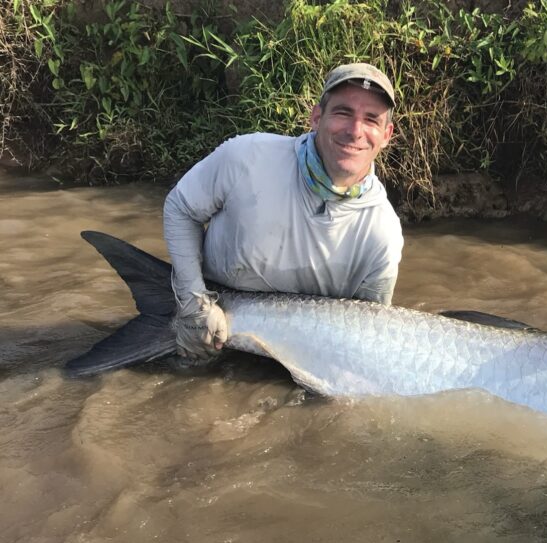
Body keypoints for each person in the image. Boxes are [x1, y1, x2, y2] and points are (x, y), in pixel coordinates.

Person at [163, 62, 403, 359]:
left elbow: (369, 339)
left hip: (297, 361)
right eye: (343, 112)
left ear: (386, 135)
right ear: (316, 117)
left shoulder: (384, 234)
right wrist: (192, 304)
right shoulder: (247, 156)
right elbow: (180, 208)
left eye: (371, 120)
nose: (356, 131)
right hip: (206, 327)